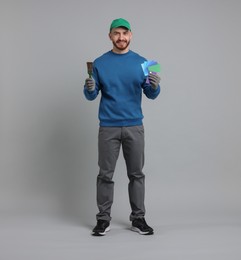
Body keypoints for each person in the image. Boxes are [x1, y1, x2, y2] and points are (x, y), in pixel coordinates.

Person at [83, 18, 161, 236]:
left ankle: (138, 218)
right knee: (105, 175)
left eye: (125, 33)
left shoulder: (145, 62)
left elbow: (152, 94)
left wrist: (155, 86)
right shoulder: (99, 63)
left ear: (131, 35)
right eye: (116, 33)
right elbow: (91, 95)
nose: (121, 37)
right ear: (110, 36)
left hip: (134, 126)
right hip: (108, 127)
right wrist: (89, 88)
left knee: (136, 174)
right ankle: (103, 219)